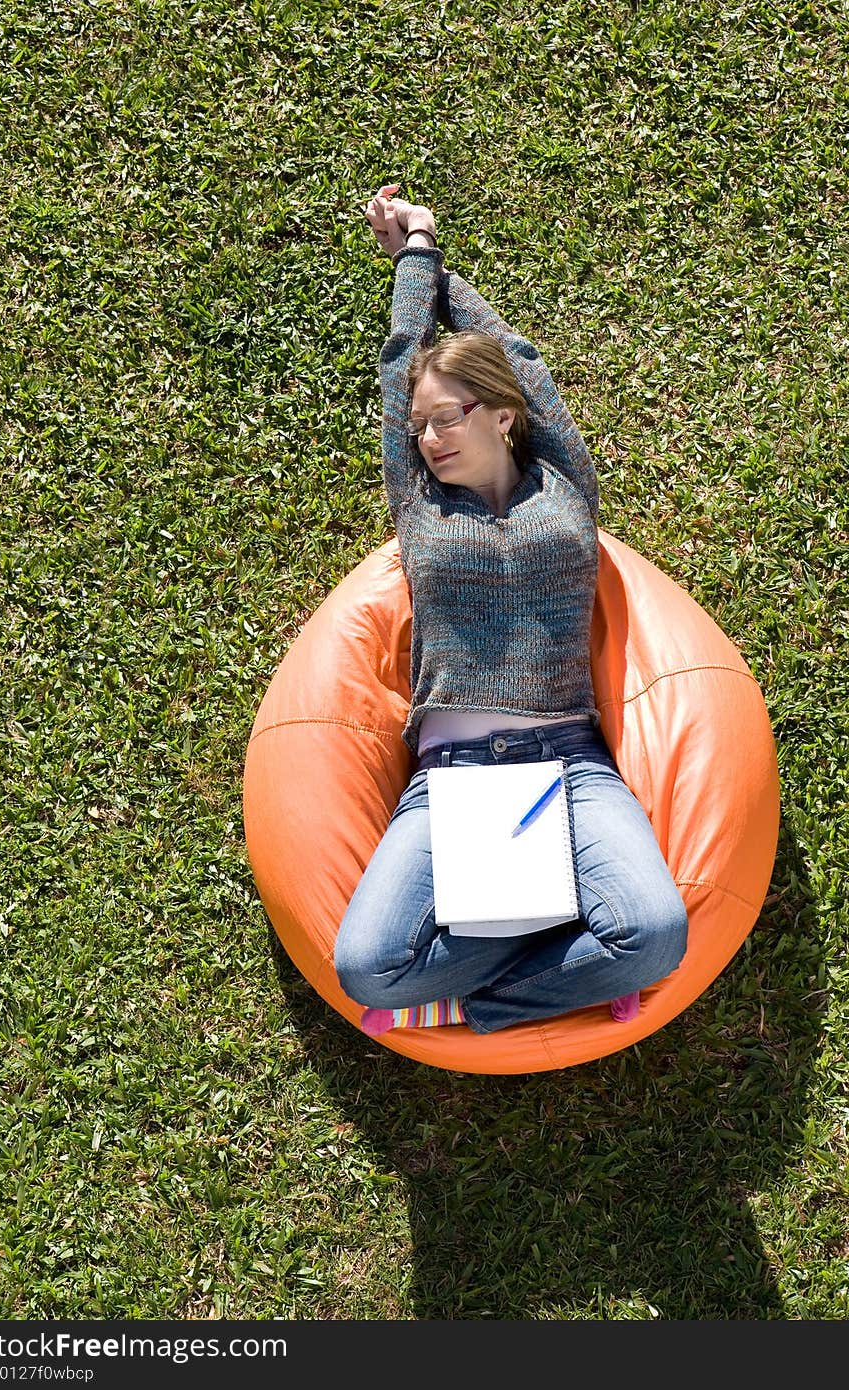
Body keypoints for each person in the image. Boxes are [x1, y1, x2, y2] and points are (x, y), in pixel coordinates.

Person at [333, 183, 688, 1037]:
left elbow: (519, 356)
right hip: (450, 777)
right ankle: (559, 941)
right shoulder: (420, 506)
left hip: (567, 762)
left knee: (656, 935)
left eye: (448, 417)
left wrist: (436, 258)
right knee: (364, 967)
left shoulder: (565, 491)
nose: (429, 438)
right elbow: (398, 364)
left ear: (501, 416)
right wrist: (413, 260)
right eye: (419, 426)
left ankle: (471, 1002)